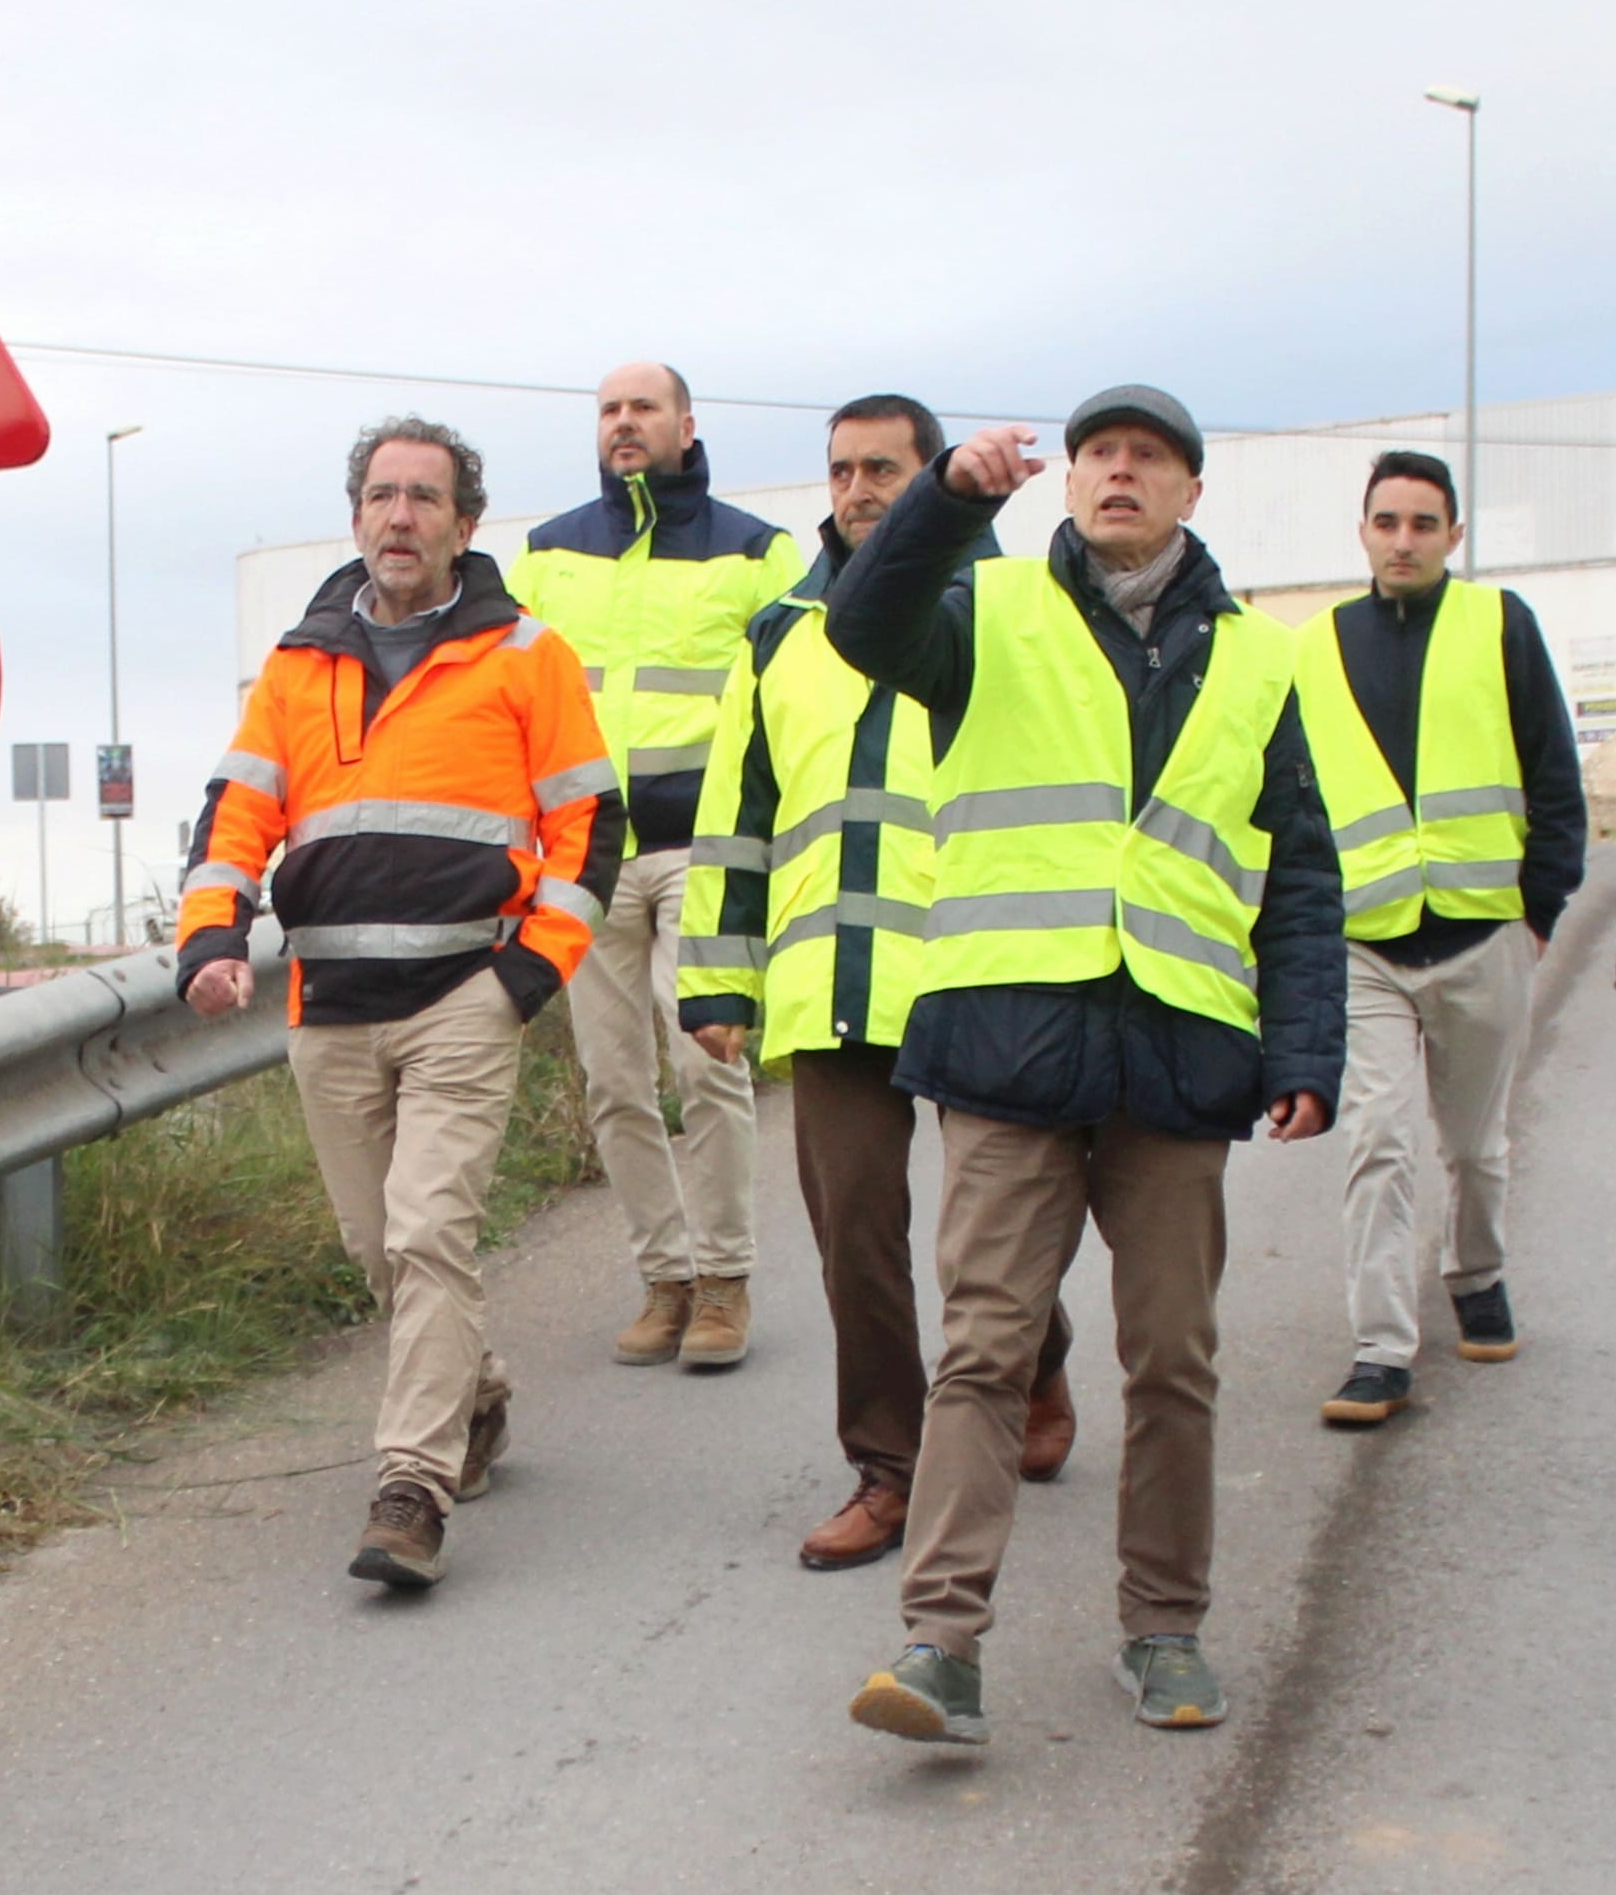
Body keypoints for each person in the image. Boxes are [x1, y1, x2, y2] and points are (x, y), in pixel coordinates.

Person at [820, 386, 1343, 1744]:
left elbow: (1297, 876)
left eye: (1150, 456)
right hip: (1006, 1043)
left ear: (1190, 491)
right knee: (985, 1350)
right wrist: (948, 496)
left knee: (1173, 1356)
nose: (1121, 471)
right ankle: (940, 1643)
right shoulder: (985, 611)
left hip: (1177, 1055)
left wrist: (1305, 1047)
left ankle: (1164, 1625)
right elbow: (858, 623)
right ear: (1070, 482)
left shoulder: (1259, 661)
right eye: (1102, 453)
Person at [178, 415, 622, 1592]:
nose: (401, 517)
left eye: (426, 498)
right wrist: (211, 939)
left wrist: (527, 974)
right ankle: (471, 1395)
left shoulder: (526, 654)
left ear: (464, 525)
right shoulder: (296, 664)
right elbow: (235, 816)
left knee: (430, 1231)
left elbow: (589, 826)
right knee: (376, 1245)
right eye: (382, 495)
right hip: (328, 1004)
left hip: (462, 994)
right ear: (356, 515)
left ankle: (410, 1489)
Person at [680, 395, 1080, 1573]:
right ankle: (889, 1466)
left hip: (975, 967)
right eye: (843, 469)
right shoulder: (778, 633)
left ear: (936, 477)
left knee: (992, 1237)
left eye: (884, 470)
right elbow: (736, 815)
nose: (859, 490)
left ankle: (1040, 1362)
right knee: (856, 1231)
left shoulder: (1020, 609)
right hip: (825, 979)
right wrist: (718, 979)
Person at [506, 363, 803, 1371]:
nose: (623, 423)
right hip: (587, 855)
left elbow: (792, 694)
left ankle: (725, 1280)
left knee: (704, 1062)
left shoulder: (756, 551)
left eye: (642, 408)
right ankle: (663, 1277)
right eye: (607, 409)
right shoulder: (546, 555)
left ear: (685, 423)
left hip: (701, 848)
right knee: (612, 1078)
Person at [1300, 451, 1586, 1428]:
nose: (1404, 540)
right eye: (1387, 522)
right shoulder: (1320, 644)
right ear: (1364, 531)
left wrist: (1540, 904)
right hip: (1366, 943)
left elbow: (1553, 765)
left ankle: (1478, 1270)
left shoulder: (1499, 623)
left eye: (1424, 523)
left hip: (1481, 932)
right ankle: (1379, 1348)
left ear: (1453, 534)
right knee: (1376, 1137)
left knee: (1473, 1142)